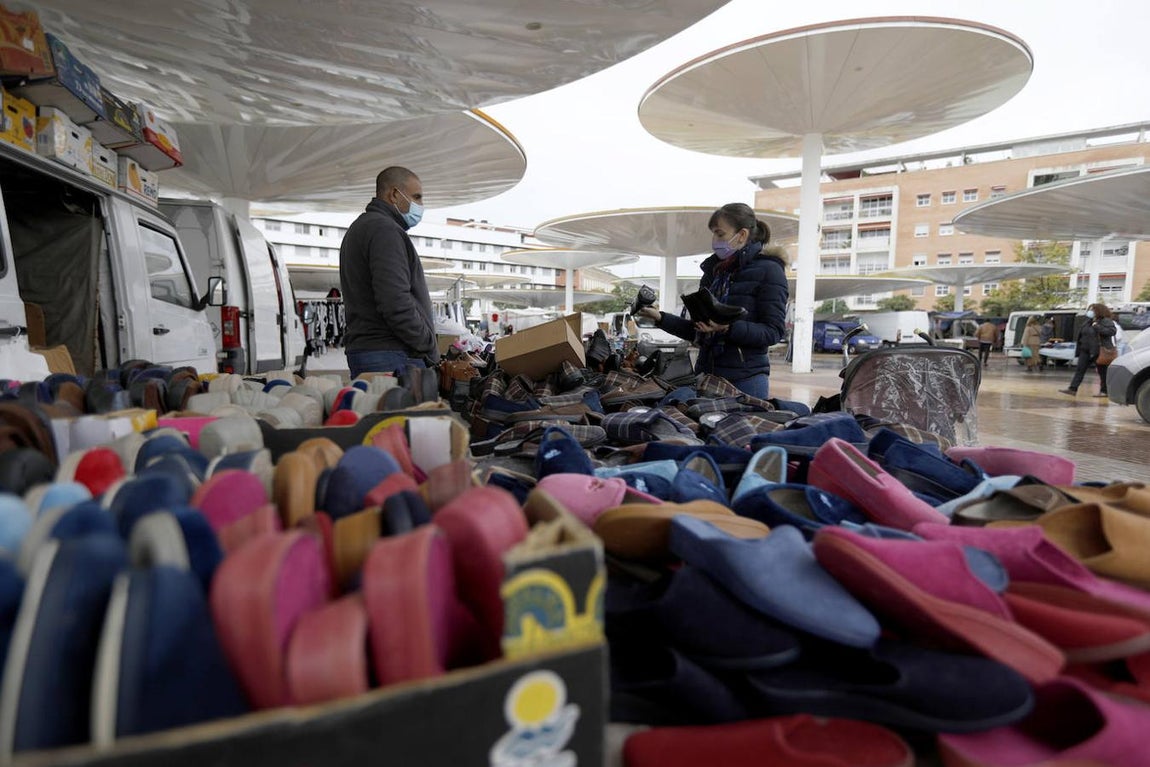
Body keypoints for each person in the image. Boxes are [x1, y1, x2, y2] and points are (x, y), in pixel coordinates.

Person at [636, 202, 788, 398]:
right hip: (706, 376)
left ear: (742, 235)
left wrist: (728, 328)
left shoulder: (769, 271)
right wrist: (659, 317)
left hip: (745, 381)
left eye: (720, 234)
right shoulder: (713, 273)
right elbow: (698, 329)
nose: (715, 241)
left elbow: (773, 331)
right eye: (714, 234)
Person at [339, 166, 439, 379]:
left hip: (374, 351)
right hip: (392, 354)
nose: (421, 205)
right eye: (417, 197)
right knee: (399, 402)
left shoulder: (362, 227)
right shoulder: (385, 230)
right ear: (394, 194)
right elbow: (395, 301)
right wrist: (426, 342)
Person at [1059, 303, 1116, 397]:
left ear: (1099, 311)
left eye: (1092, 310)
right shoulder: (1088, 321)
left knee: (1102, 372)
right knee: (1080, 369)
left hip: (1098, 351)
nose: (1090, 312)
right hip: (1085, 350)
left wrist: (1097, 326)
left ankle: (1104, 391)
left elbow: (1112, 332)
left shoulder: (1105, 321)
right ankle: (1073, 389)